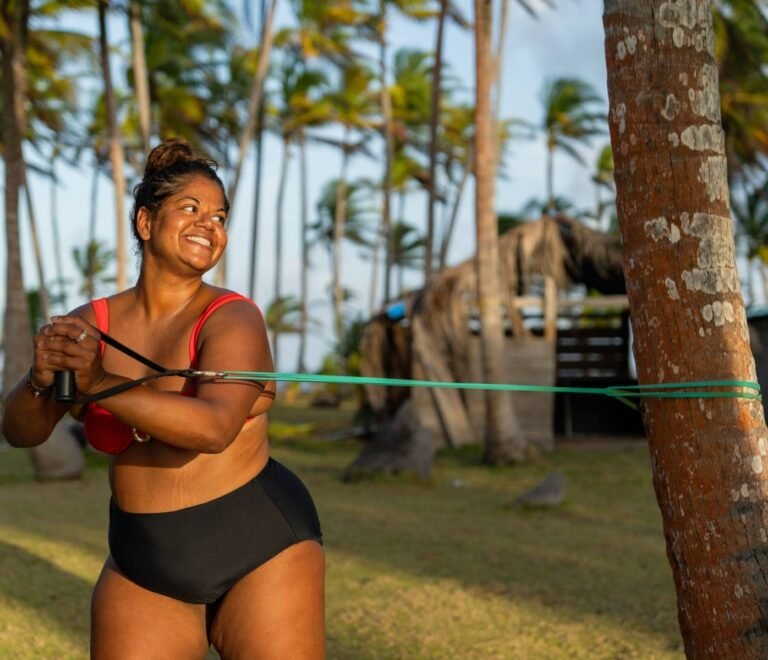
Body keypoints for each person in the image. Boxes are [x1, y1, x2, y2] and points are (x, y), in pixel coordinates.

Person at [1, 139, 325, 659]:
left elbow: (214, 428)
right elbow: (22, 431)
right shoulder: (92, 323)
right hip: (143, 559)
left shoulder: (233, 317)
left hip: (259, 544)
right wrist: (41, 379)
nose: (209, 224)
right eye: (190, 208)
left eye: (220, 216)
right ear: (145, 223)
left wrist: (100, 384)